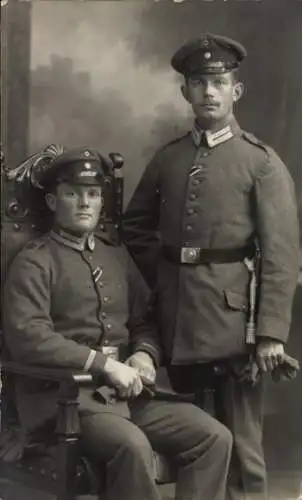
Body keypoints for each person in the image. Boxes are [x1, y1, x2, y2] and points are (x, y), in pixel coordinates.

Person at [123, 34, 300, 500]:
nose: (208, 92)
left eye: (218, 82)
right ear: (185, 92)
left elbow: (282, 254)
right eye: (198, 82)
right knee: (198, 443)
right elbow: (136, 226)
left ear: (235, 91)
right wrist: (165, 274)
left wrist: (271, 333)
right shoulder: (170, 158)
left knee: (241, 447)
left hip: (233, 325)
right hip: (178, 320)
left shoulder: (261, 163)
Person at [2, 145, 233, 500]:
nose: (84, 203)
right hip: (63, 402)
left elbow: (143, 320)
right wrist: (105, 365)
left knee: (214, 437)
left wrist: (143, 354)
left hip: (124, 395)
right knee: (131, 445)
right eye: (72, 194)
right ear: (51, 201)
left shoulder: (115, 256)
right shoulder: (34, 262)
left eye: (93, 194)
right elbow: (28, 336)